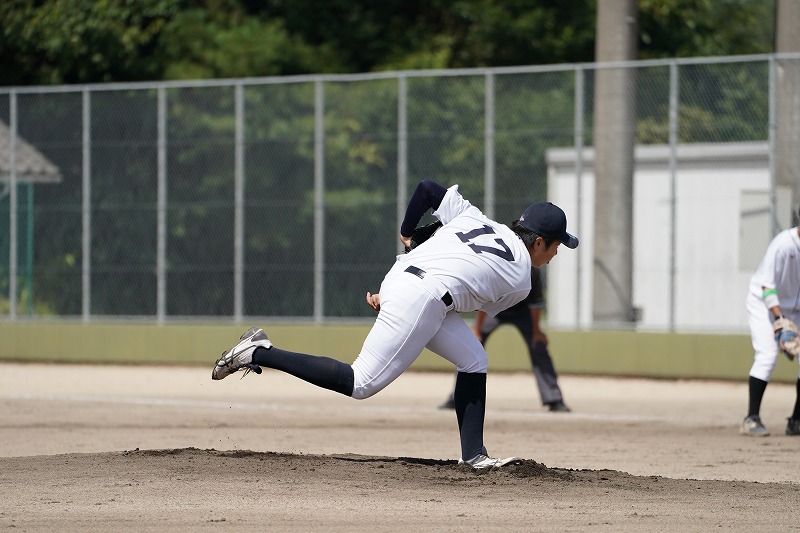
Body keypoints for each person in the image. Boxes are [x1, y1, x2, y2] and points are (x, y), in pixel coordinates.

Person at [211, 179, 578, 468]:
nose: (556, 253)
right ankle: (259, 351)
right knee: (360, 382)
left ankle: (474, 456)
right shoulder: (522, 279)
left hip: (405, 277)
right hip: (424, 297)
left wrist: (407, 236)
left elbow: (427, 189)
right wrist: (404, 303)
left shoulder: (477, 219)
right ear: (539, 242)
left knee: (474, 359)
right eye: (556, 246)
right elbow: (463, 296)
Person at [439, 267, 570, 412]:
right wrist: (477, 329)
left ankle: (554, 398)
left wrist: (537, 332)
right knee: (471, 344)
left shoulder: (531, 269)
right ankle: (456, 396)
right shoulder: (496, 267)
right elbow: (485, 302)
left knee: (538, 345)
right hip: (495, 310)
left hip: (523, 312)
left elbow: (535, 303)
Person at [740, 212, 800, 437]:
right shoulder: (783, 245)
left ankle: (796, 421)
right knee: (767, 355)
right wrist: (780, 323)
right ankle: (751, 418)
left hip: (796, 307)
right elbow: (767, 286)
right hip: (764, 304)